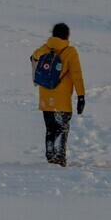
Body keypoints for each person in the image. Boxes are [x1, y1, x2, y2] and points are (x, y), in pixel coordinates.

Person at [30, 23, 85, 167]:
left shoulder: (44, 48)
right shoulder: (70, 51)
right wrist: (81, 96)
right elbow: (76, 75)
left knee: (50, 128)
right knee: (62, 128)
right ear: (67, 36)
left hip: (45, 97)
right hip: (62, 99)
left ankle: (50, 156)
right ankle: (59, 157)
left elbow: (33, 57)